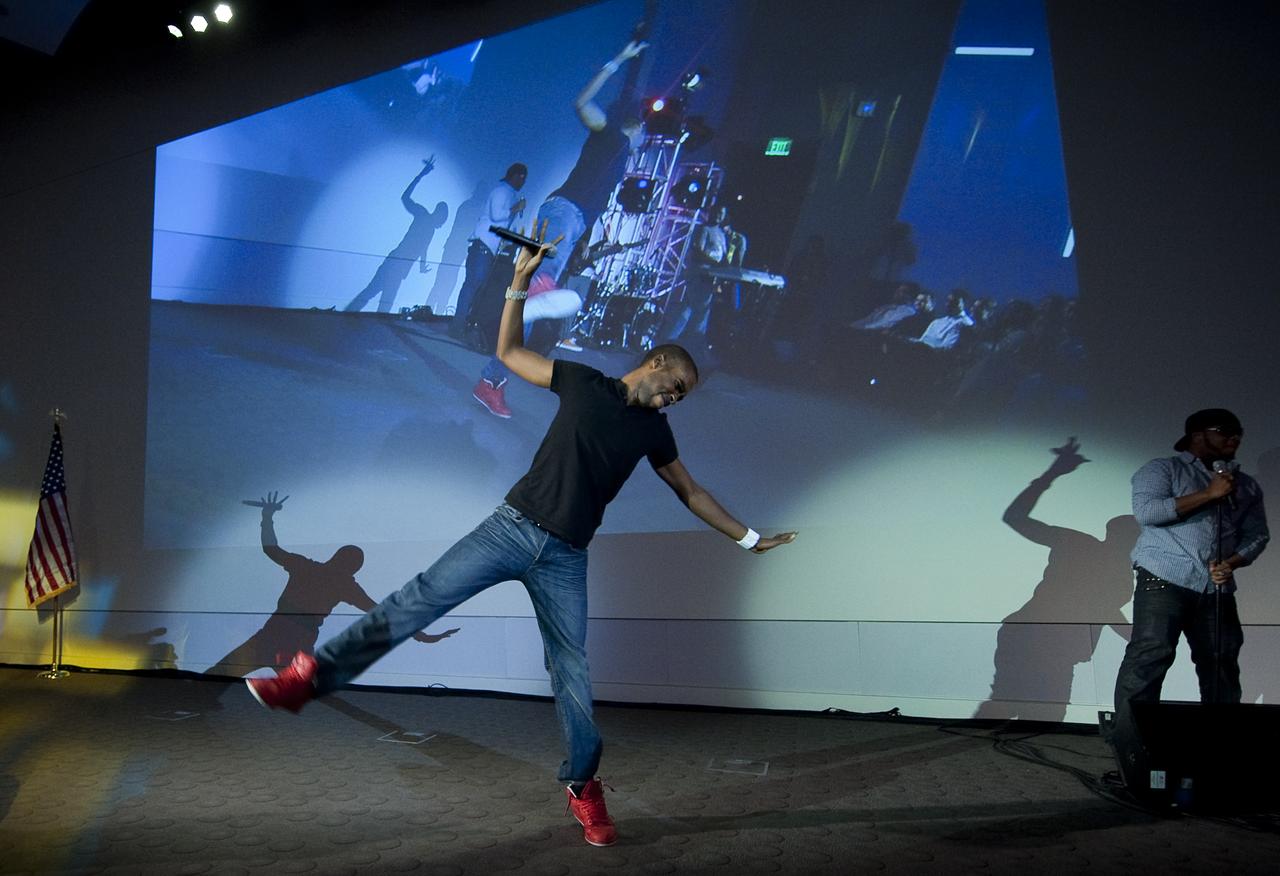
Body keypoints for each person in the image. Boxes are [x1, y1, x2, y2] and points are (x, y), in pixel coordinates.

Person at [246, 230, 799, 847]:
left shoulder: (655, 433)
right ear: (658, 364)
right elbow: (508, 352)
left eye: (681, 398)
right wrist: (517, 280)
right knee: (415, 601)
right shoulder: (583, 382)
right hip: (509, 530)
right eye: (677, 386)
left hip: (565, 557)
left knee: (572, 671)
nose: (676, 398)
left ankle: (584, 788)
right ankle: (305, 681)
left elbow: (690, 492)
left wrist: (749, 539)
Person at [472, 39, 647, 418]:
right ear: (638, 130)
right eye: (644, 136)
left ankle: (492, 380)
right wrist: (619, 59)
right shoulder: (612, 135)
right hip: (563, 213)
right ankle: (536, 287)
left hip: (572, 220)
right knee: (536, 300)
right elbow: (581, 103)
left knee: (530, 319)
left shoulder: (617, 157)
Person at [1110, 409, 1269, 786]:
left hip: (1216, 588)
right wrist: (1209, 494)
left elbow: (1258, 535)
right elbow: (1148, 512)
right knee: (1150, 657)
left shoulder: (1244, 484)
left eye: (1238, 431)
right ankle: (1130, 747)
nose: (1235, 438)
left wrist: (1230, 563)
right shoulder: (1163, 469)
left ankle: (1219, 749)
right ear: (1198, 435)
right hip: (1164, 578)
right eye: (1225, 431)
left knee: (1221, 664)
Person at [345, 158, 449, 314]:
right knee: (378, 298)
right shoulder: (422, 214)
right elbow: (405, 197)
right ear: (439, 215)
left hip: (398, 266)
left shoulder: (430, 229)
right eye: (443, 220)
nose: (442, 224)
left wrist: (422, 265)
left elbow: (423, 248)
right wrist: (421, 175)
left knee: (374, 294)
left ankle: (350, 315)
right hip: (395, 264)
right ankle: (349, 316)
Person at [449, 163, 528, 340]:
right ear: (516, 176)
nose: (523, 183)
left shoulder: (509, 194)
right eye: (522, 178)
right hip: (482, 246)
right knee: (472, 286)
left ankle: (462, 324)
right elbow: (496, 216)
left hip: (488, 249)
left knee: (477, 288)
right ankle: (457, 327)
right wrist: (517, 207)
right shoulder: (502, 191)